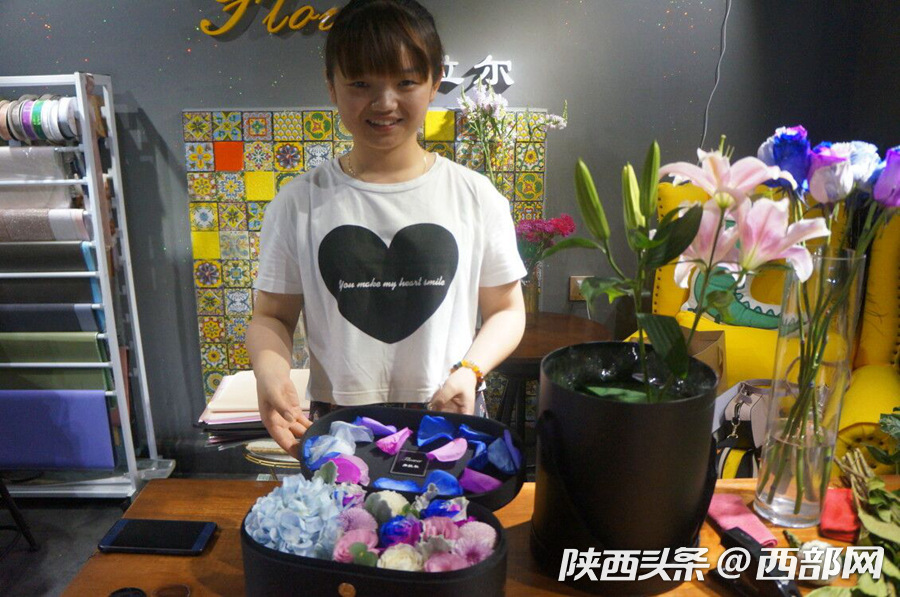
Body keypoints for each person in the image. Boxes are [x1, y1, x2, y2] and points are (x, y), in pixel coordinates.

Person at [247, 0, 526, 459]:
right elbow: (271, 316)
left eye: (406, 82)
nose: (384, 103)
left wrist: (471, 370)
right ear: (332, 86)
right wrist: (269, 371)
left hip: (448, 411)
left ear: (435, 82)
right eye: (361, 84)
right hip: (340, 421)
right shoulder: (298, 202)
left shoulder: (475, 196)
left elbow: (507, 310)